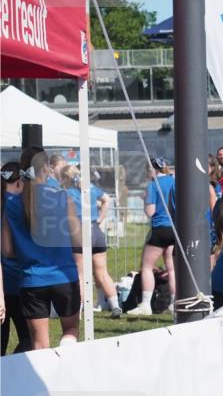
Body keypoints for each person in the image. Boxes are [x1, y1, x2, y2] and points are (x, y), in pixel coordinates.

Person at [1, 148, 81, 350]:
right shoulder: (63, 198)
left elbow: (7, 250)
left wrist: (27, 251)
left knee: (39, 343)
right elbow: (78, 239)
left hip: (31, 279)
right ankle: (66, 354)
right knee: (71, 330)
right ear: (46, 167)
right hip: (64, 275)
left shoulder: (12, 204)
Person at [60, 165, 122, 318]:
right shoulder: (91, 188)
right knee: (102, 272)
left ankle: (79, 311)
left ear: (66, 178)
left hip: (80, 232)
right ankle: (115, 306)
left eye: (62, 178)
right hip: (95, 231)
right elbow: (107, 199)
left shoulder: (67, 193)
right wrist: (100, 218)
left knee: (80, 275)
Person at [130, 157, 176, 316]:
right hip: (174, 228)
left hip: (160, 228)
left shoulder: (152, 185)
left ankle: (145, 304)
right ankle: (174, 303)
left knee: (147, 266)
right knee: (171, 268)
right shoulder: (174, 181)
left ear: (153, 169)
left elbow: (150, 212)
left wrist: (145, 201)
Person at [1, 162, 30, 353]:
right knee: (30, 340)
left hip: (5, 284)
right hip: (20, 281)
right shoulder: (21, 206)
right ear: (20, 181)